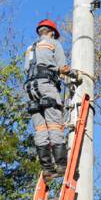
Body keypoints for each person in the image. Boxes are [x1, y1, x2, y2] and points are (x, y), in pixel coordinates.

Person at [23, 18, 70, 179]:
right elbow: (63, 68)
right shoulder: (53, 43)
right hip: (46, 85)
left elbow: (26, 69)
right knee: (55, 125)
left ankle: (47, 169)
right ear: (52, 33)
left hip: (30, 89)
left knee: (40, 129)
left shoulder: (30, 48)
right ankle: (62, 165)